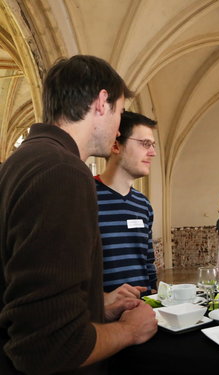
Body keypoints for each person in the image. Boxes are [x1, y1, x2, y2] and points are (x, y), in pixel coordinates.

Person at [0, 55, 158, 374]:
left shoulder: (19, 163)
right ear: (102, 102)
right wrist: (130, 331)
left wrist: (97, 303)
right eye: (120, 112)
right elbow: (49, 345)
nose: (118, 127)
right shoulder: (64, 172)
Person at [95, 111, 158, 295]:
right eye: (145, 144)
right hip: (101, 318)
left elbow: (148, 262)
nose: (152, 153)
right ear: (116, 145)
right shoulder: (85, 196)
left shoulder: (143, 204)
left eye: (153, 145)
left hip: (142, 312)